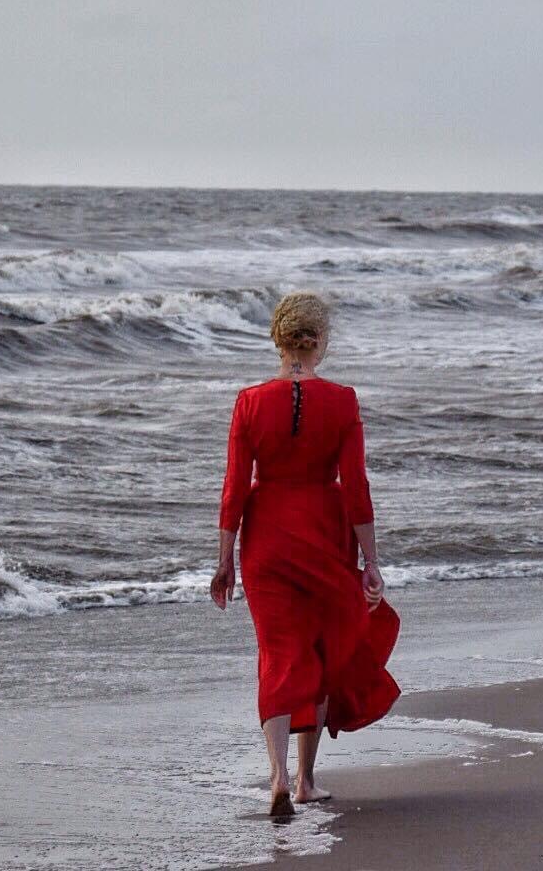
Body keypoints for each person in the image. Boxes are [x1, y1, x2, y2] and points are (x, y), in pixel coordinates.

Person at [210, 291, 400, 818]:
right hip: (323, 533)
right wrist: (372, 561)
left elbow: (233, 487)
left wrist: (224, 559)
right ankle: (305, 781)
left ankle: (274, 776)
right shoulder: (342, 401)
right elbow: (356, 486)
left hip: (265, 538)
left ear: (278, 338)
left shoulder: (249, 401)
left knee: (276, 653)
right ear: (320, 342)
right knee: (317, 650)